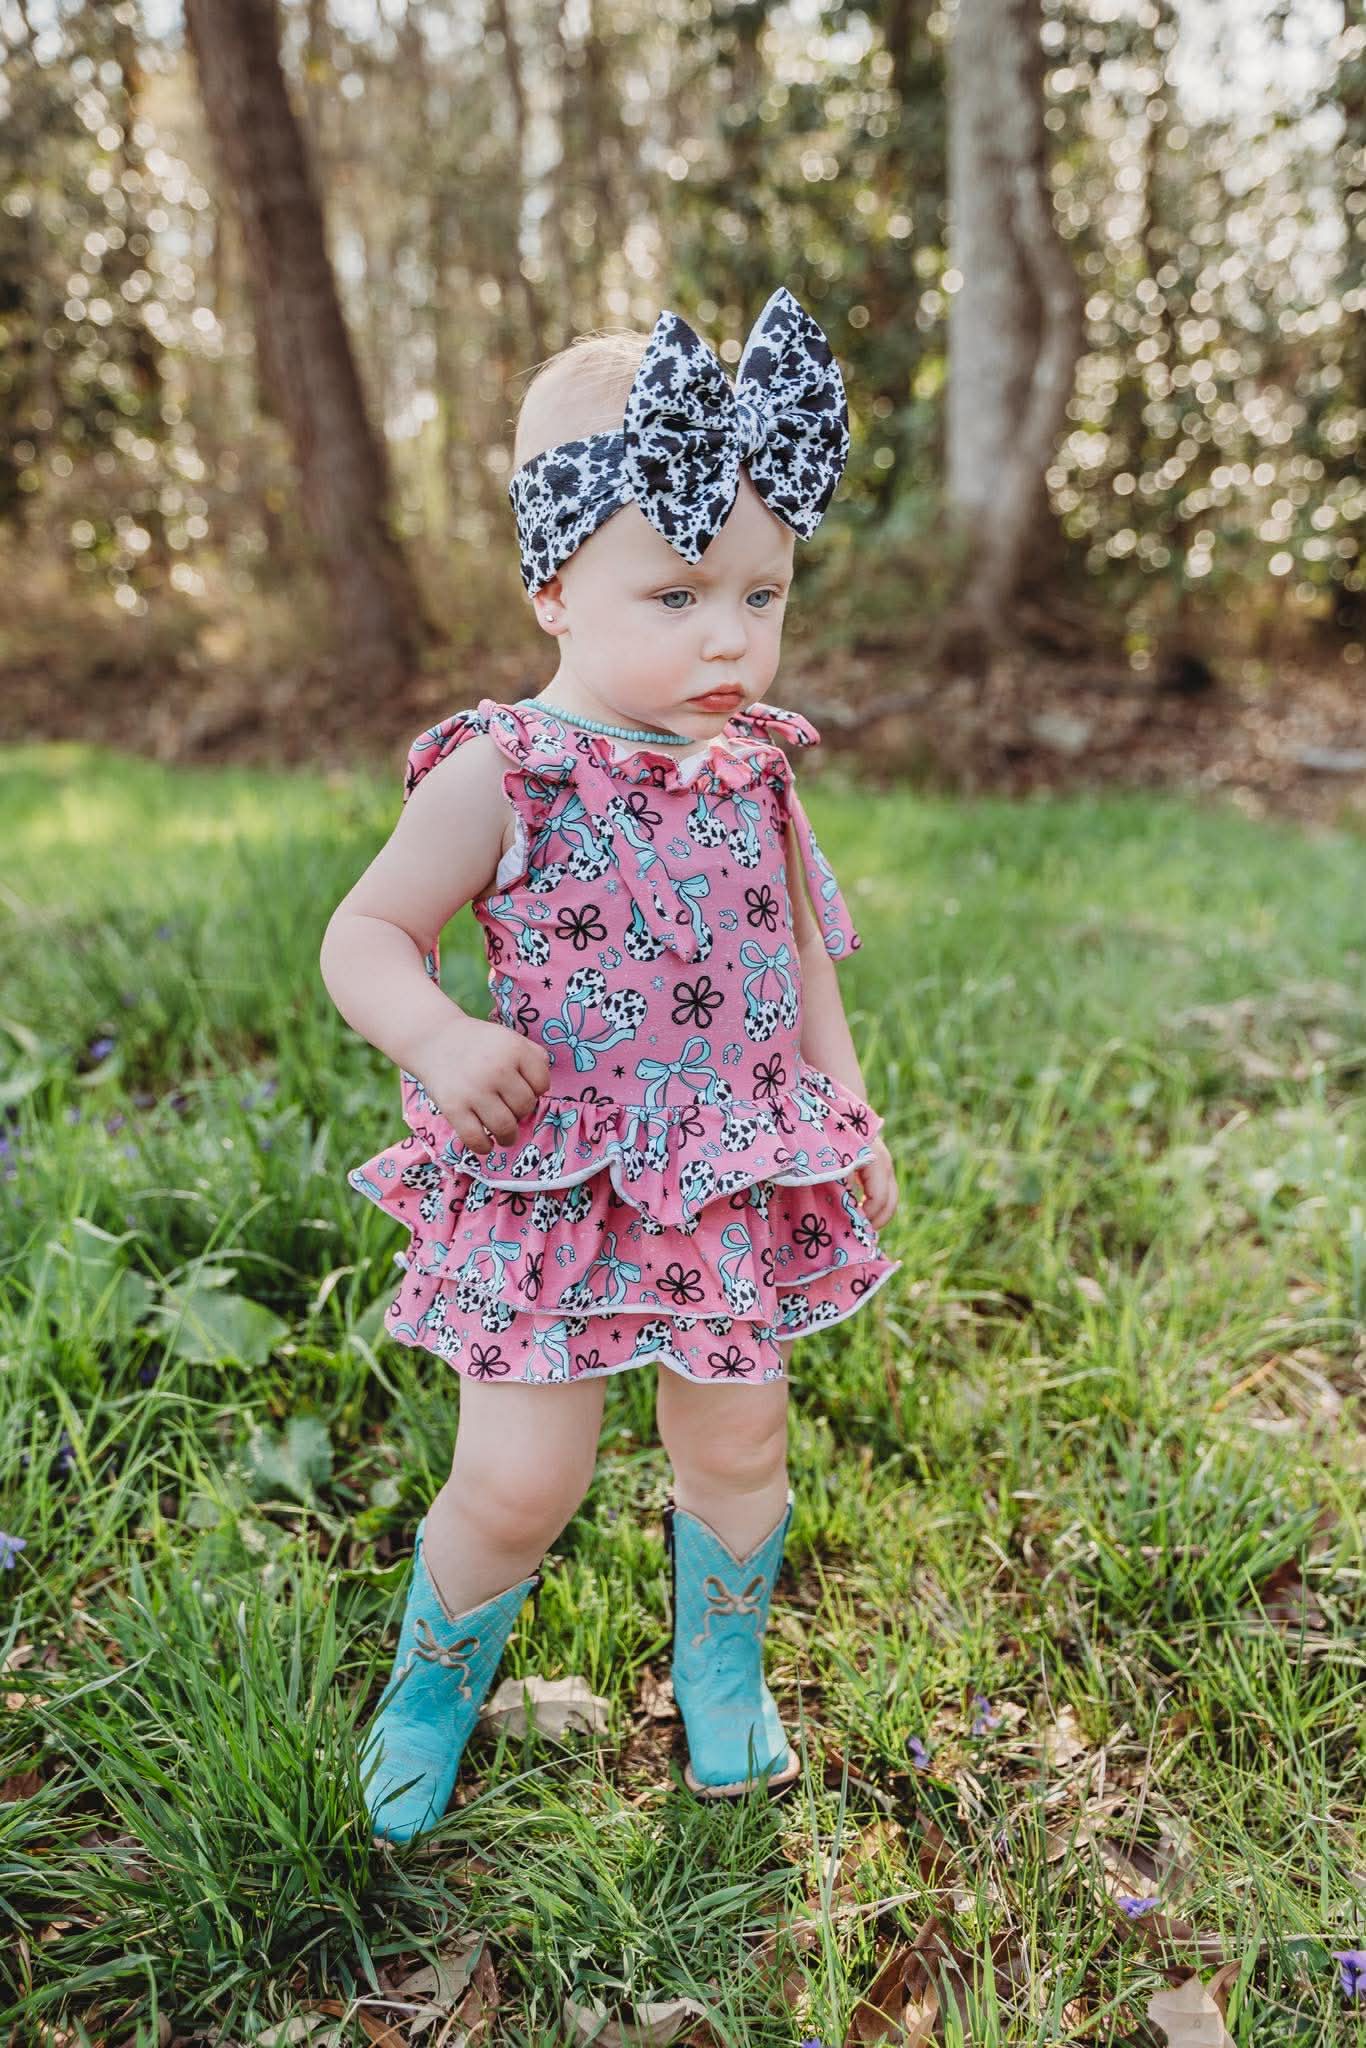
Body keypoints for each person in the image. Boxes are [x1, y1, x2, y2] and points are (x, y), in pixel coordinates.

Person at [319, 285, 901, 1845]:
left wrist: (841, 1113)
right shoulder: (502, 768)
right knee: (522, 1475)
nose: (731, 636)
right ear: (556, 592)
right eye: (679, 595)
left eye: (763, 596)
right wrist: (438, 1033)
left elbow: (790, 960)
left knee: (742, 1438)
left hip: (727, 1164)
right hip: (556, 1173)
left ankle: (721, 1663)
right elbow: (364, 934)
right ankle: (435, 1680)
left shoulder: (754, 775)